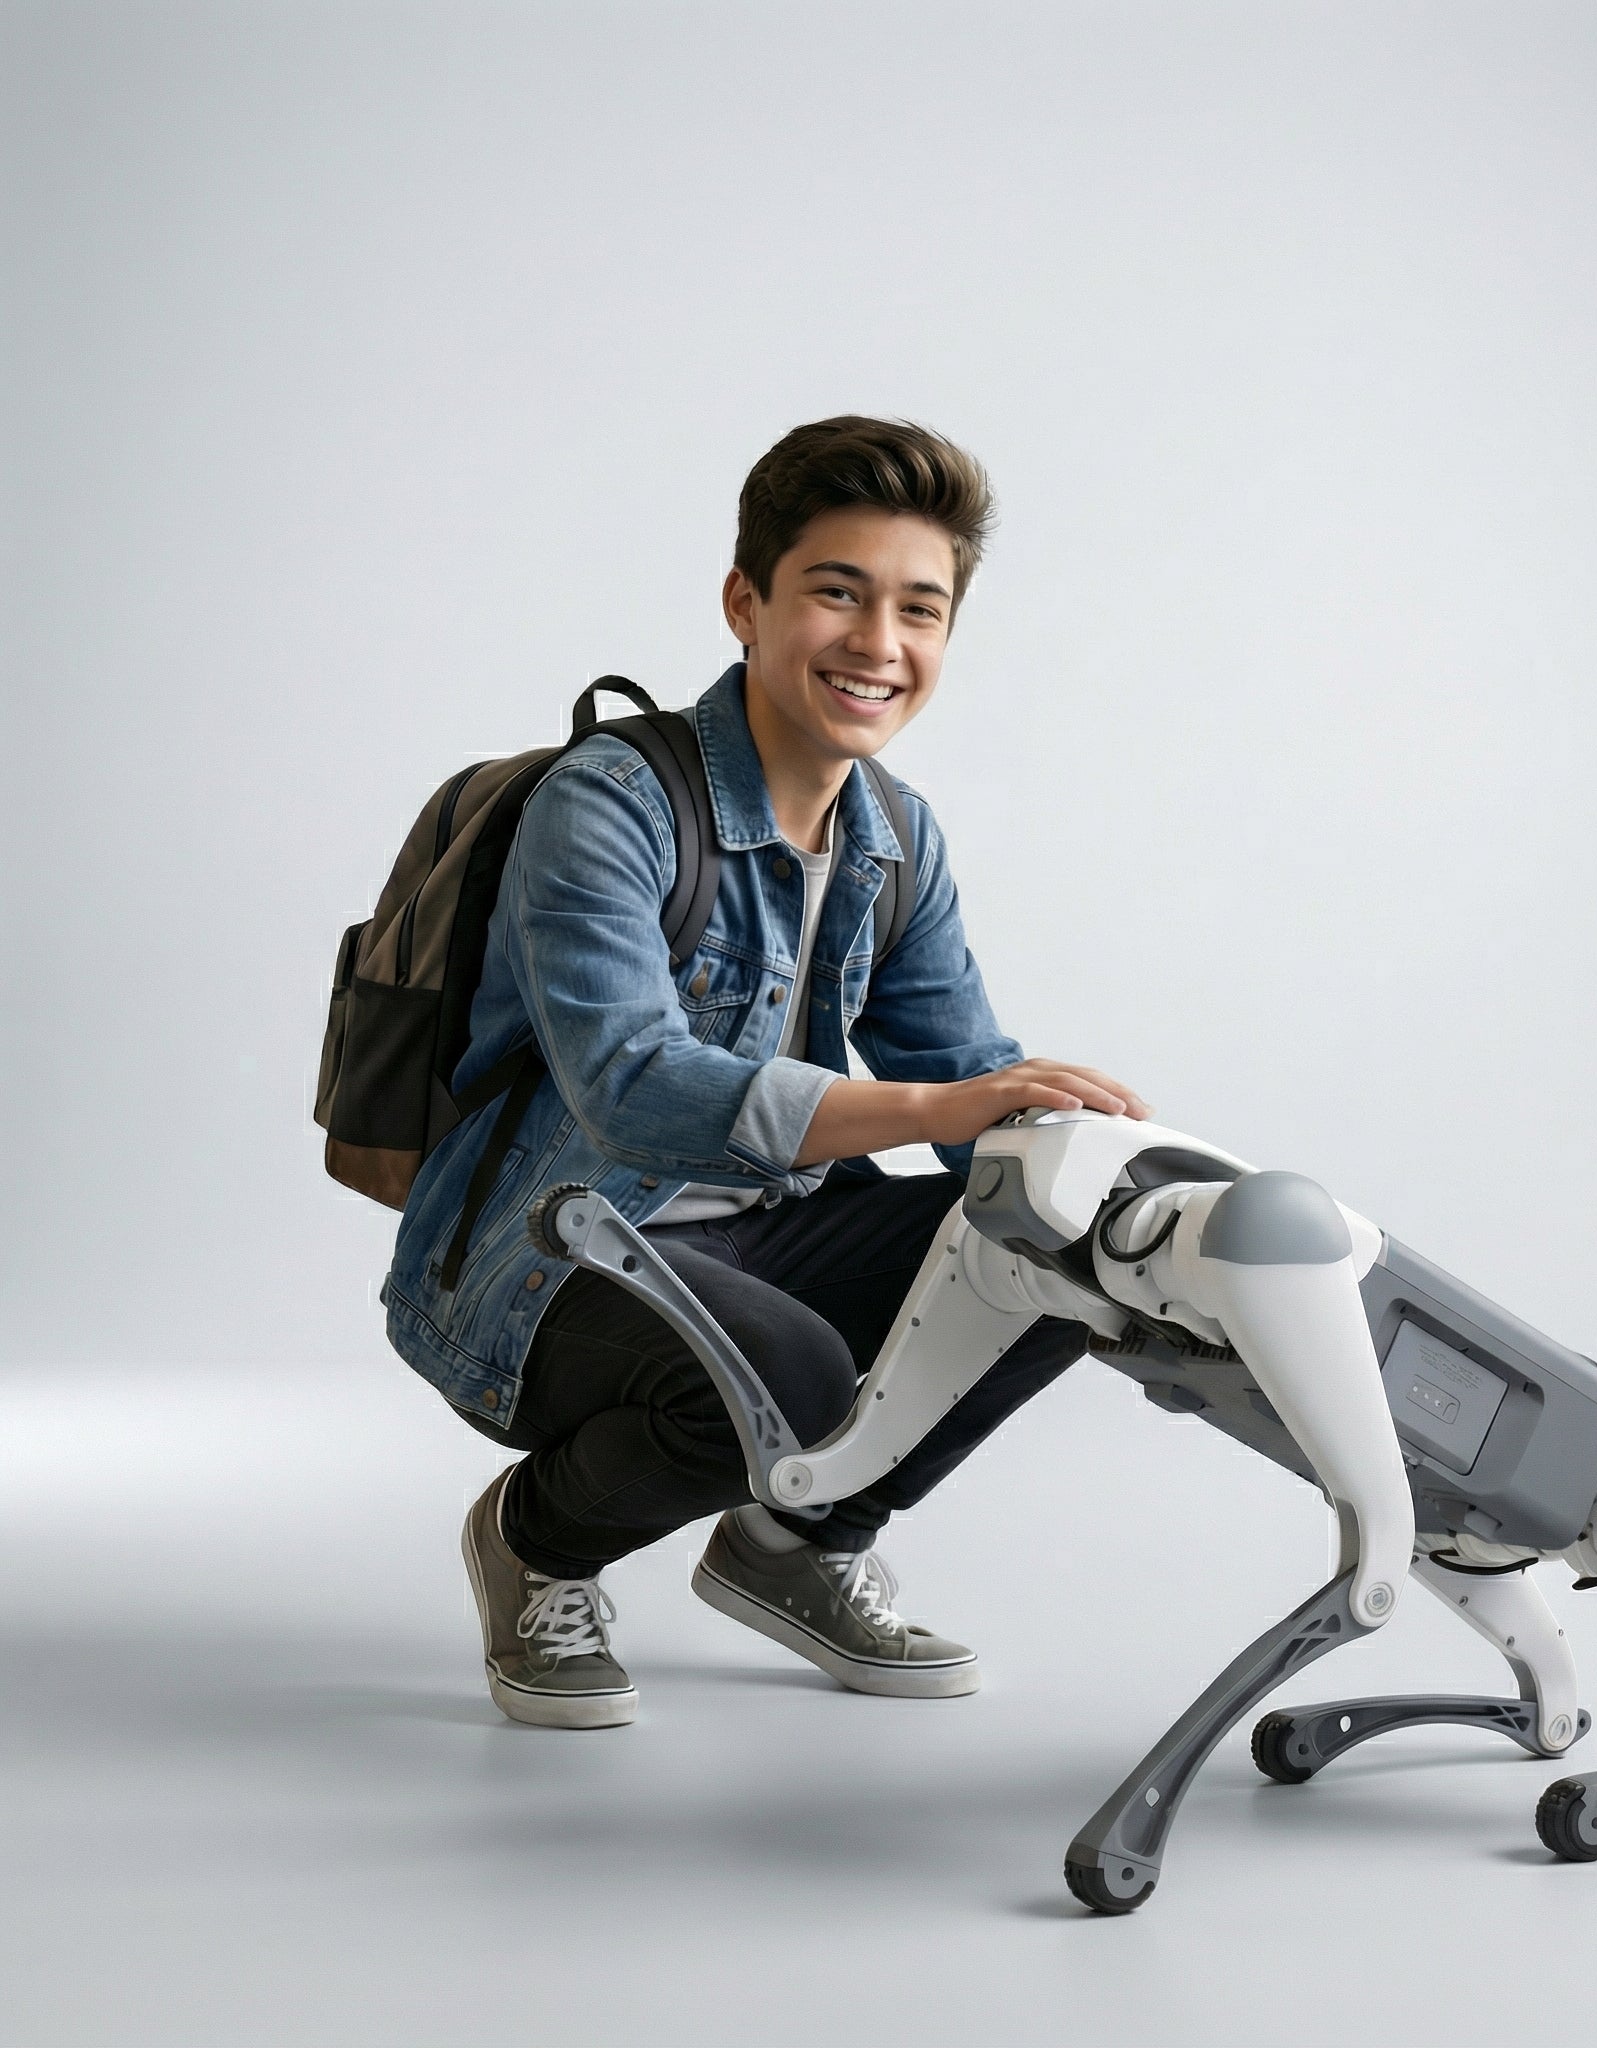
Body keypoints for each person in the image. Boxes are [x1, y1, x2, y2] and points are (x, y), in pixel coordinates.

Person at [381, 416, 1149, 1727]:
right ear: (748, 601)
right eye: (837, 592)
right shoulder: (610, 801)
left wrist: (1134, 1202)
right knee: (789, 1375)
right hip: (545, 1260)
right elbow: (628, 1083)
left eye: (921, 607)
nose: (879, 643)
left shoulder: (895, 839)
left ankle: (791, 1546)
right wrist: (930, 1109)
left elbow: (965, 1076)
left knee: (1072, 1251)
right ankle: (536, 1541)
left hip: (758, 1238)